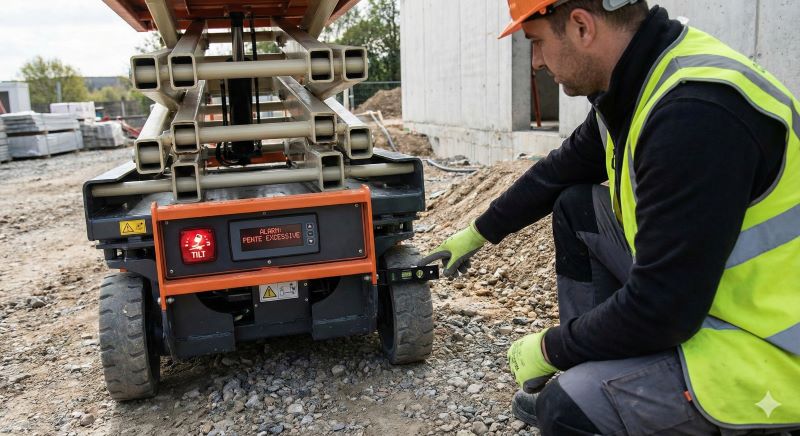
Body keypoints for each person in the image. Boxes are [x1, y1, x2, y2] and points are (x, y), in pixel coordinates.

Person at [420, 0, 800, 434]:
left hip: (771, 346)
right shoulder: (638, 84)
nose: (538, 62)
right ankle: (609, 363)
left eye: (537, 43)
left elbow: (662, 309)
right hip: (706, 290)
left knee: (570, 410)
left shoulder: (693, 115)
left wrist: (550, 348)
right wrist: (477, 233)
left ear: (581, 26)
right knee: (577, 206)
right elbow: (557, 172)